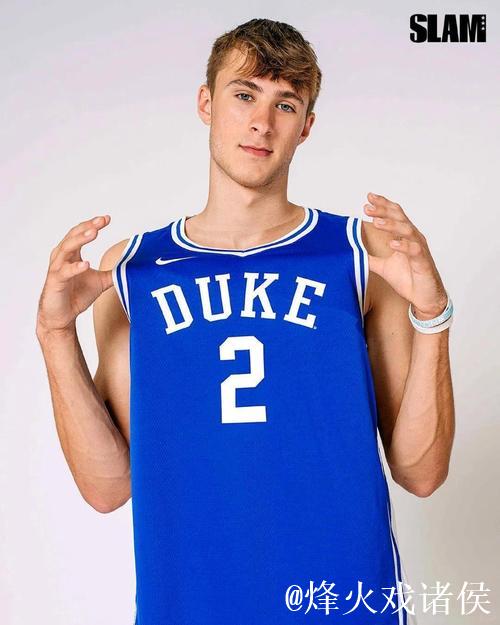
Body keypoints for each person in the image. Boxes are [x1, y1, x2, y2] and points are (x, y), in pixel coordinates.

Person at [36, 18, 455, 625]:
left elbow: (421, 472)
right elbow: (107, 488)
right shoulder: (133, 269)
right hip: (190, 603)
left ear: (306, 126)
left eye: (285, 104)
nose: (262, 122)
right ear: (206, 103)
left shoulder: (361, 256)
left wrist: (433, 317)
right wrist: (54, 335)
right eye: (244, 94)